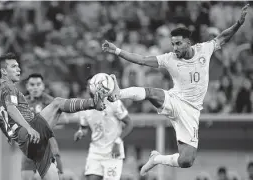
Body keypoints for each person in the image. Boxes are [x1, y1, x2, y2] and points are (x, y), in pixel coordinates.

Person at [102, 4, 249, 175]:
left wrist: (239, 23)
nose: (175, 48)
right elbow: (141, 59)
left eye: (178, 44)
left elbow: (224, 37)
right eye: (173, 44)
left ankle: (156, 159)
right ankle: (119, 93)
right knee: (151, 92)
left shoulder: (204, 49)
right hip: (176, 100)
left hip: (192, 111)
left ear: (188, 42)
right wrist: (117, 50)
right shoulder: (169, 59)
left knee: (186, 161)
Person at [0, 53, 105, 180]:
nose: (19, 69)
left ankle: (93, 103)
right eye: (14, 66)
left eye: (18, 66)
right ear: (4, 71)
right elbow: (11, 110)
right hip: (30, 134)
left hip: (37, 143)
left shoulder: (12, 90)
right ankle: (92, 102)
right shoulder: (7, 87)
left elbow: (4, 119)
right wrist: (29, 128)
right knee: (57, 103)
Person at [73, 76, 133, 180]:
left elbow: (129, 123)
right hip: (95, 151)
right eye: (89, 85)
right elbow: (84, 128)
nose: (91, 87)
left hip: (113, 152)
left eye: (93, 84)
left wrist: (118, 142)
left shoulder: (113, 103)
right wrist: (80, 132)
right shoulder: (84, 107)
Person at [21, 73, 65, 180]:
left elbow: (63, 120)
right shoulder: (22, 102)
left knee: (57, 177)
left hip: (49, 146)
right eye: (32, 84)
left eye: (38, 84)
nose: (35, 87)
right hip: (29, 148)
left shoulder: (52, 102)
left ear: (43, 86)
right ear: (27, 86)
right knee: (26, 177)